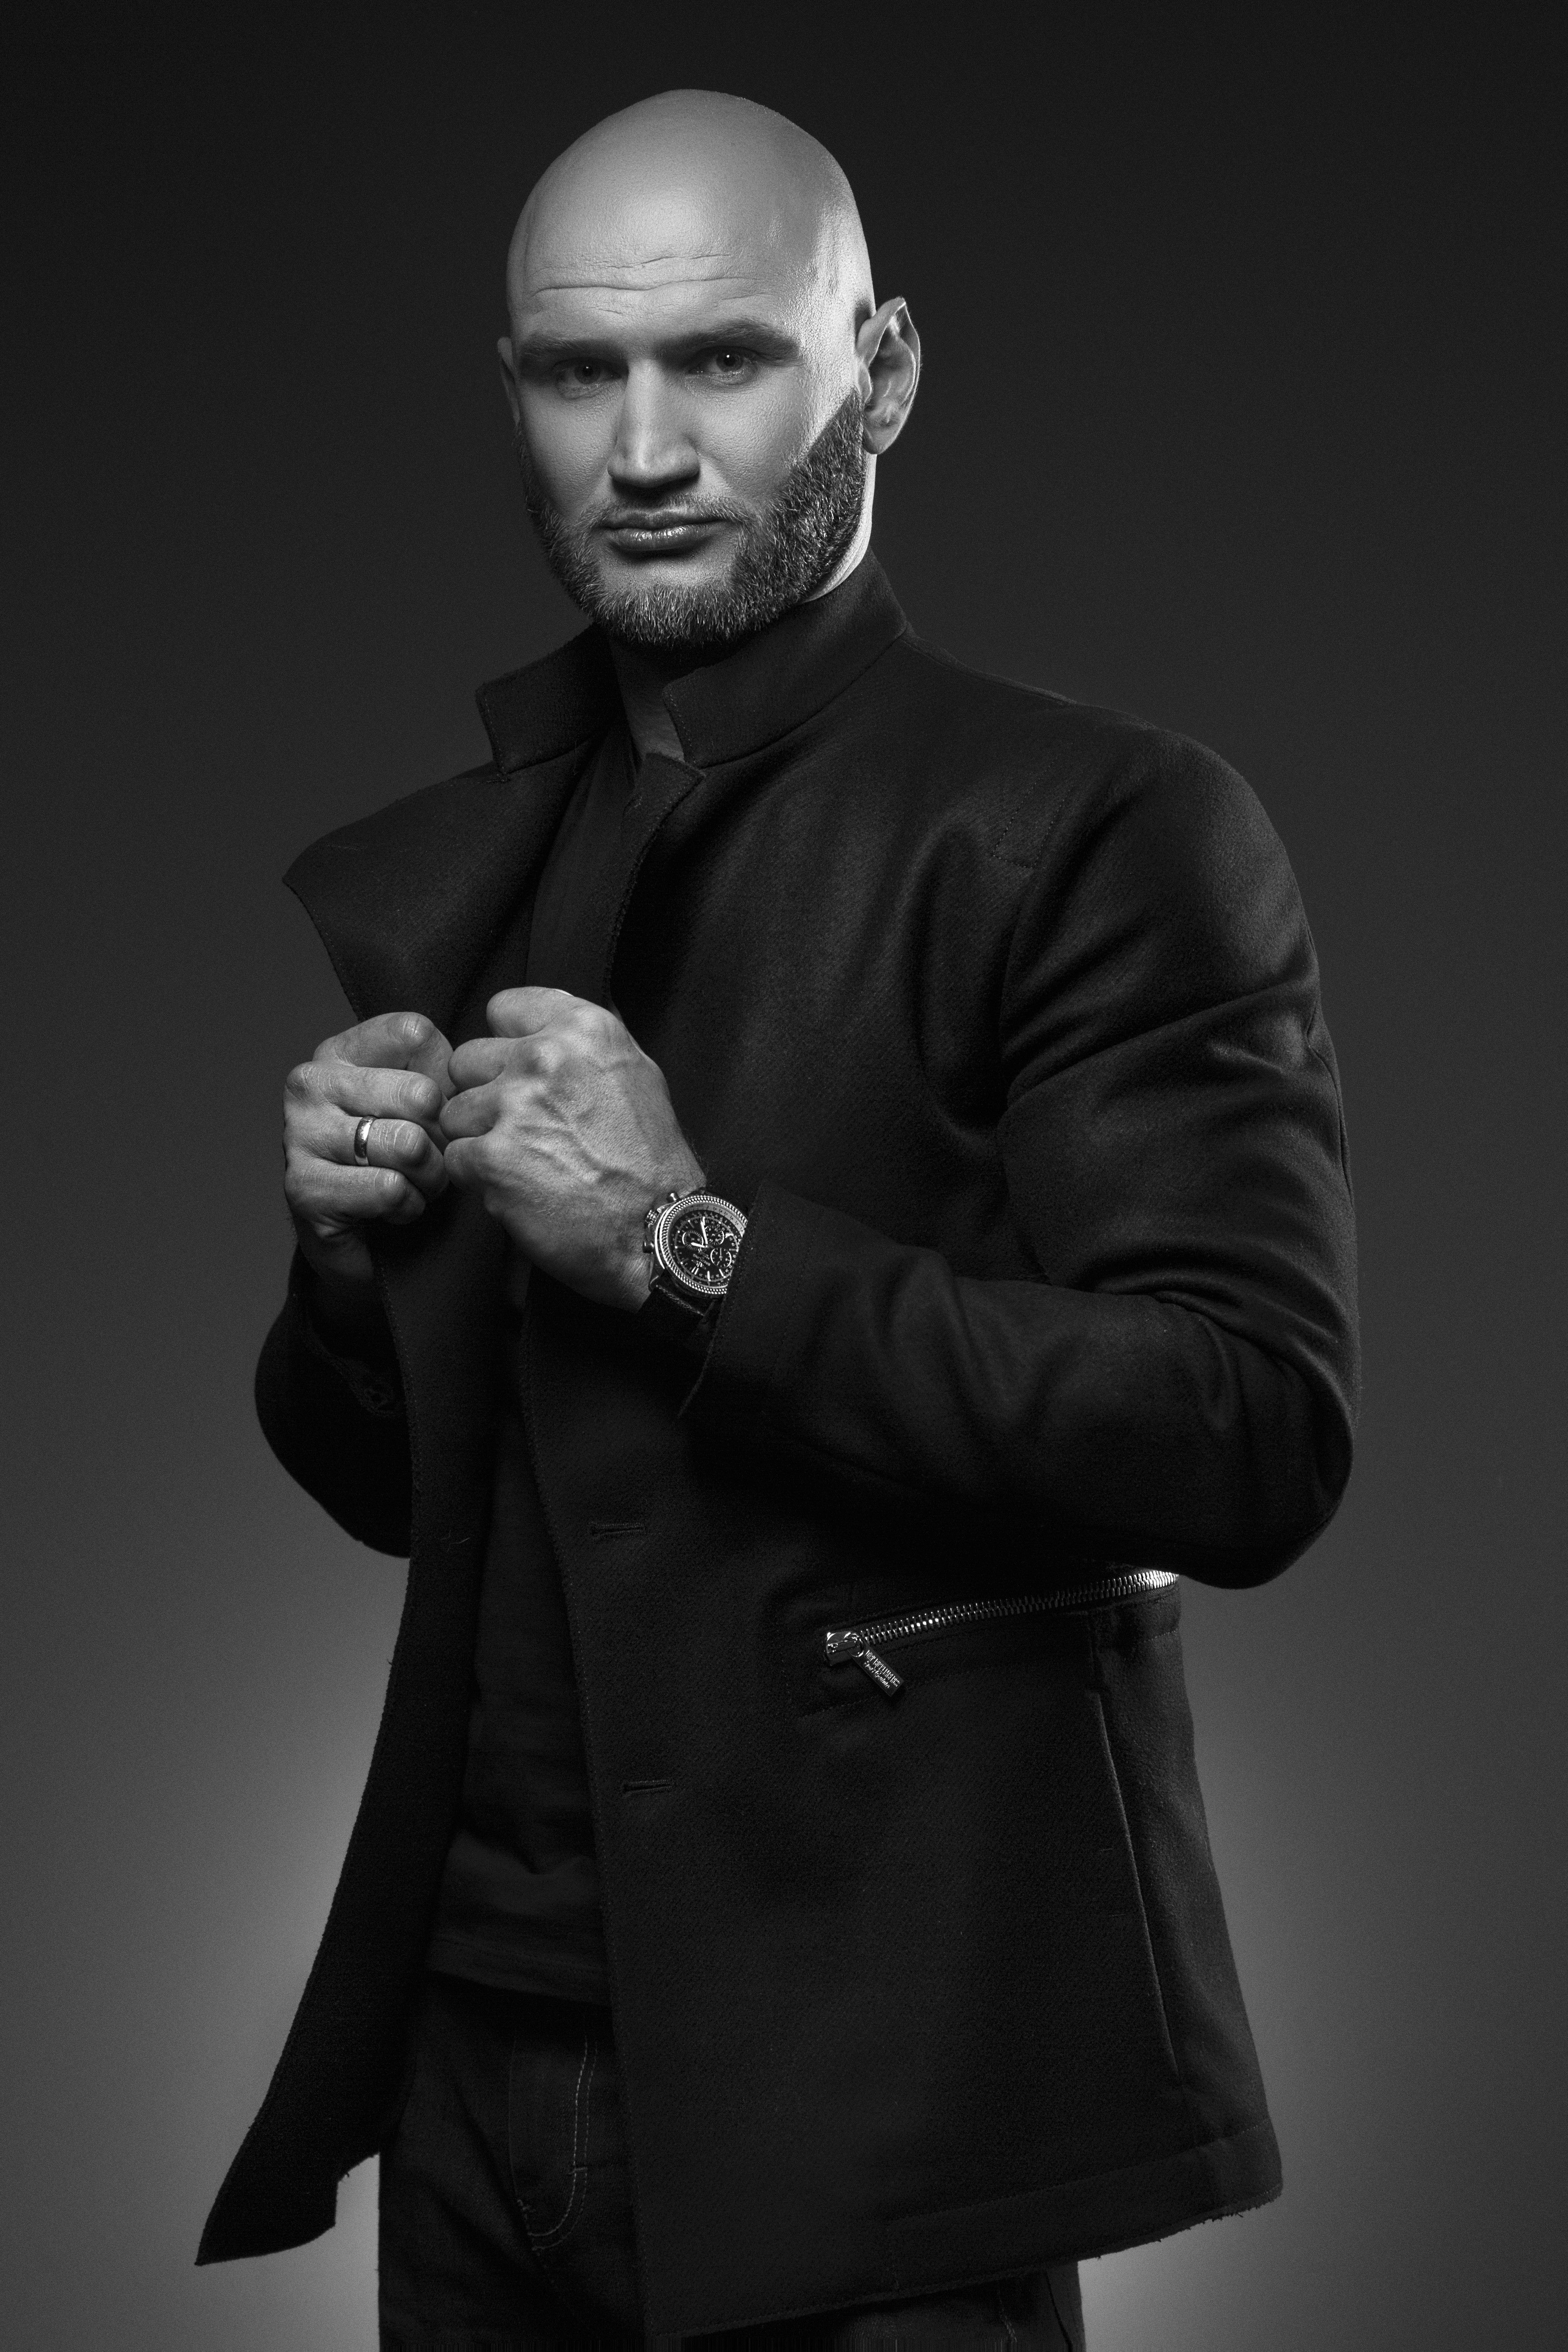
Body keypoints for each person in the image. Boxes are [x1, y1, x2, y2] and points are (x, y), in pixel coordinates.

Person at [197, 88, 1359, 2348]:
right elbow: (405, 1496)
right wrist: (347, 1271)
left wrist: (685, 1249)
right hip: (476, 2062)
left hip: (875, 2086)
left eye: (722, 358)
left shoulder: (1098, 825)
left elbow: (1247, 1429)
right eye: (579, 373)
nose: (643, 451)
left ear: (883, 370)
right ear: (517, 392)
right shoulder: (488, 855)